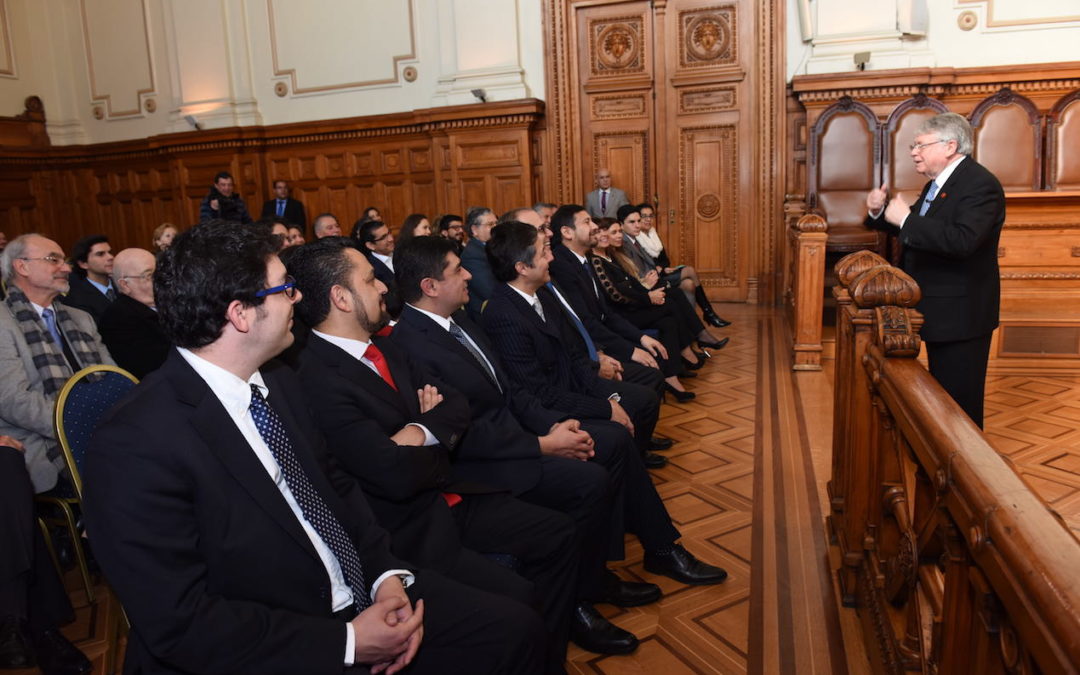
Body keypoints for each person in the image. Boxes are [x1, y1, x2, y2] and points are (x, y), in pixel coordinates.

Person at [82, 221, 547, 675]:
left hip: (360, 588)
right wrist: (348, 643)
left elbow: (337, 488)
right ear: (240, 314)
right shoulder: (133, 443)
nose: (299, 298)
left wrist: (384, 577)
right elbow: (180, 623)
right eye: (284, 289)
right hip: (277, 635)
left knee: (515, 628)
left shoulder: (279, 381)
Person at [288, 237, 579, 668]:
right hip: (410, 531)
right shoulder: (315, 378)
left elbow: (456, 405)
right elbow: (391, 473)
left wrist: (416, 431)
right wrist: (436, 435)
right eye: (370, 280)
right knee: (519, 612)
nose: (383, 287)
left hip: (448, 495)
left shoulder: (386, 345)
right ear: (341, 298)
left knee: (560, 536)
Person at [477, 224, 729, 581]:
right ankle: (658, 549)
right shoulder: (503, 314)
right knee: (616, 438)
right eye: (543, 251)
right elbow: (537, 392)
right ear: (521, 267)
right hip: (547, 415)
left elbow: (575, 360)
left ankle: (656, 544)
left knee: (627, 419)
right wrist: (605, 407)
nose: (551, 257)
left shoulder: (541, 295)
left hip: (570, 396)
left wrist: (606, 396)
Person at [0, 233, 111, 675]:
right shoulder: (3, 322)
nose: (65, 266)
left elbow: (111, 380)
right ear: (21, 267)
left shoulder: (79, 318)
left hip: (98, 435)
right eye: (53, 259)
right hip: (39, 443)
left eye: (65, 259)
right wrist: (77, 427)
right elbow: (14, 401)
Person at [865, 112, 1006, 428]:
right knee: (941, 399)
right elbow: (916, 232)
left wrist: (906, 219)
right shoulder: (938, 183)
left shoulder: (980, 184)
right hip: (937, 307)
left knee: (959, 406)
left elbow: (962, 241)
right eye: (913, 146)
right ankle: (941, 455)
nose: (914, 152)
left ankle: (966, 460)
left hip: (961, 314)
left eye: (920, 145)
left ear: (950, 146)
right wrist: (878, 212)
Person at [549, 205, 694, 401]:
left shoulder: (585, 259)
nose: (595, 227)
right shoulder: (561, 265)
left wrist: (640, 338)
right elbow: (585, 321)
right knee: (652, 372)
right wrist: (629, 350)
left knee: (656, 352)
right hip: (590, 345)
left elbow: (606, 313)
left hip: (604, 332)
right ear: (567, 232)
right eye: (587, 222)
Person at [621, 204, 731, 328]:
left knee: (689, 284)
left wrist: (663, 268)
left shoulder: (653, 234)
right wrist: (659, 269)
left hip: (662, 273)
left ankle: (694, 325)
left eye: (650, 216)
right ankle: (707, 314)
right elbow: (644, 266)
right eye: (644, 216)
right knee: (689, 271)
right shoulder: (636, 237)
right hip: (653, 278)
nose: (648, 220)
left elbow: (664, 260)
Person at [99, 248, 169, 378]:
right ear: (125, 285)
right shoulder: (118, 318)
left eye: (159, 272)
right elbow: (150, 368)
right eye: (149, 275)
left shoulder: (170, 303)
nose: (160, 280)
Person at [59, 235, 116, 326]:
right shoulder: (76, 298)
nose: (110, 257)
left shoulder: (123, 284)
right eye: (100, 254)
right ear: (83, 264)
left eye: (110, 252)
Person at [354, 219, 401, 318]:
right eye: (383, 237)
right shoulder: (370, 269)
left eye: (389, 233)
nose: (390, 239)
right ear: (371, 245)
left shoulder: (401, 254)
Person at [460, 206, 497, 321]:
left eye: (496, 223)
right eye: (490, 224)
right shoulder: (472, 254)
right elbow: (489, 291)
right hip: (486, 316)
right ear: (475, 230)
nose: (495, 228)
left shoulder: (490, 248)